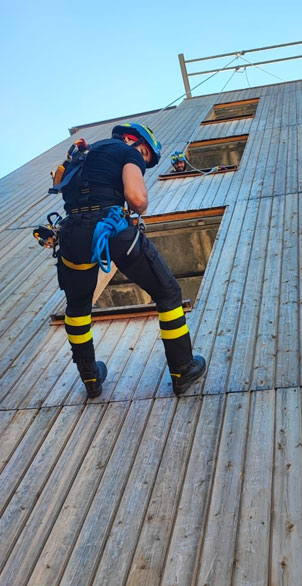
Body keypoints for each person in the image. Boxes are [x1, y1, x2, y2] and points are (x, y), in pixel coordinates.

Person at [55, 122, 207, 398]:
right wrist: (140, 201)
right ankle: (182, 370)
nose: (144, 161)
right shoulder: (127, 151)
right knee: (168, 292)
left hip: (70, 236)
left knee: (77, 308)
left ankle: (90, 378)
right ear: (131, 139)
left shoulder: (81, 155)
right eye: (146, 155)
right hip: (110, 229)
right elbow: (136, 199)